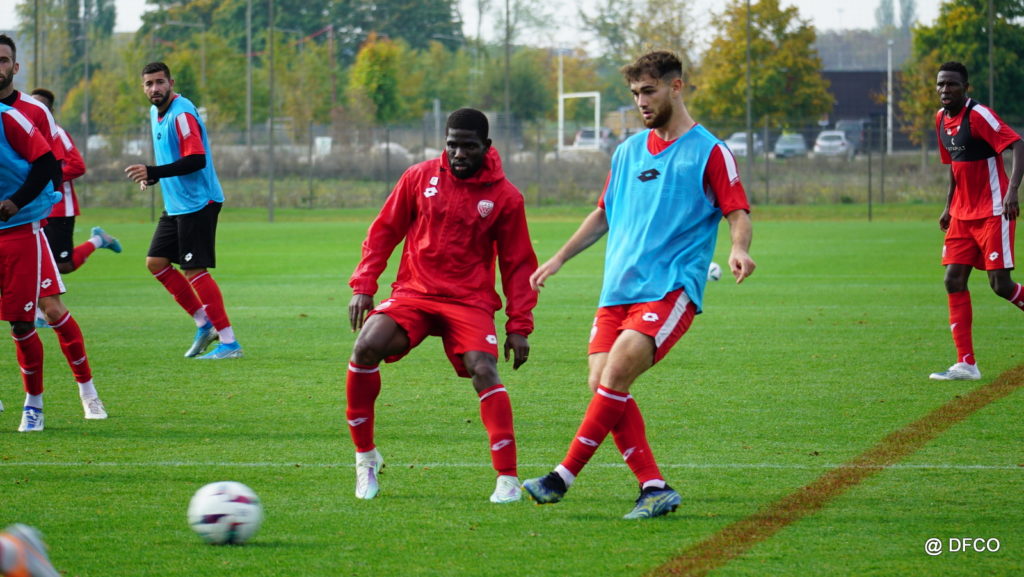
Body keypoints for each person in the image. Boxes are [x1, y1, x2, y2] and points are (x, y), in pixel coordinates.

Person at [522, 51, 756, 519]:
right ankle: (654, 487)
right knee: (603, 384)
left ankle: (560, 478)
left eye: (649, 91)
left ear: (676, 86)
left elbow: (737, 210)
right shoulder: (628, 151)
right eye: (634, 94)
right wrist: (560, 257)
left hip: (670, 287)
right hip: (617, 291)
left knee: (614, 377)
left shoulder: (710, 150)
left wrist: (739, 248)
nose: (641, 102)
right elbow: (603, 214)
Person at [346, 108, 537, 503]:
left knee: (483, 368)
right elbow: (384, 231)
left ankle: (507, 478)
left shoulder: (506, 197)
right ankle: (365, 458)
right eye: (452, 145)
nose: (459, 154)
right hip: (414, 292)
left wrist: (518, 325)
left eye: (469, 146)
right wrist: (364, 284)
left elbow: (518, 264)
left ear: (486, 147)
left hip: (469, 300)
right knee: (366, 346)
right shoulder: (418, 177)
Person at [0, 34, 107, 422]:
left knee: (50, 309)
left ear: (15, 66)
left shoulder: (33, 112)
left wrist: (24, 203)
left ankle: (87, 392)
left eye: (3, 59)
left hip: (31, 225)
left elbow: (54, 165)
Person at [124, 61, 242, 360]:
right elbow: (173, 159)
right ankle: (204, 323)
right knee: (156, 262)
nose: (155, 88)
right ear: (143, 88)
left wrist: (154, 170)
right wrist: (154, 176)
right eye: (149, 84)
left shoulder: (182, 114)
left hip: (199, 202)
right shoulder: (155, 113)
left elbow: (196, 159)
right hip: (176, 204)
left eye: (160, 82)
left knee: (194, 270)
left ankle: (229, 343)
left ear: (171, 83)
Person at [929, 61, 1024, 381]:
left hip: (994, 211)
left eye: (952, 84)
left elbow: (1018, 144)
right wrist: (948, 206)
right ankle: (966, 364)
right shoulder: (940, 119)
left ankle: (967, 363)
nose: (945, 90)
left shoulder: (979, 115)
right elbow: (955, 166)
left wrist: (1013, 191)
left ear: (965, 87)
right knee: (953, 280)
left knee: (1000, 285)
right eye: (941, 84)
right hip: (961, 214)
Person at [0, 92, 63, 432]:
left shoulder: (9, 117)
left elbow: (49, 164)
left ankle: (33, 404)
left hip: (18, 229)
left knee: (21, 324)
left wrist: (16, 201)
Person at [31, 88, 122, 278]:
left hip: (60, 208)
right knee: (37, 260)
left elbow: (77, 166)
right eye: (33, 106)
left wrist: (46, 178)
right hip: (37, 207)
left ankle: (99, 240)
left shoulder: (57, 133)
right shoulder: (29, 133)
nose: (36, 110)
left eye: (42, 107)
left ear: (50, 111)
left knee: (63, 265)